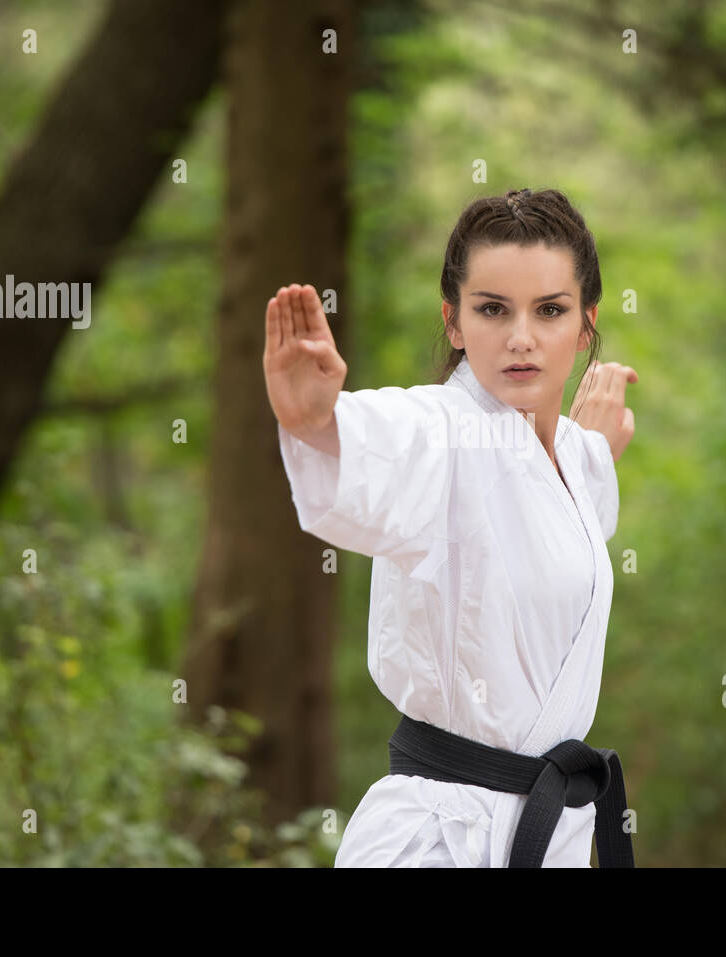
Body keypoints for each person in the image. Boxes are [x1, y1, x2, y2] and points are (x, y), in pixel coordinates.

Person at [263, 188, 638, 866]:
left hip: (553, 832)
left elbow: (557, 513)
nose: (521, 337)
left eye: (549, 310)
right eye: (493, 309)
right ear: (455, 321)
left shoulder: (572, 462)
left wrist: (594, 447)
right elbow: (380, 443)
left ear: (585, 326)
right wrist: (317, 421)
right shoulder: (441, 437)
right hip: (439, 839)